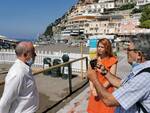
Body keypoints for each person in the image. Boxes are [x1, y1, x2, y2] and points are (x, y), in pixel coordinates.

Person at [87, 33, 150, 113]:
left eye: (128, 50)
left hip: (104, 93)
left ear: (139, 55)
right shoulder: (142, 71)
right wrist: (105, 72)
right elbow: (122, 83)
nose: (127, 52)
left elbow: (109, 100)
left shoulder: (143, 77)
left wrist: (94, 79)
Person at [0, 41, 39, 113]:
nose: (35, 55)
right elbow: (5, 102)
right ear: (25, 55)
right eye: (33, 53)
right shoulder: (18, 73)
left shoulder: (25, 68)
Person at [87, 38, 118, 113]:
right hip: (95, 90)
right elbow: (90, 75)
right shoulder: (94, 60)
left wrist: (99, 90)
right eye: (98, 46)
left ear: (107, 48)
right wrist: (92, 89)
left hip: (106, 90)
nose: (99, 49)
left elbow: (111, 79)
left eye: (102, 47)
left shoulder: (113, 60)